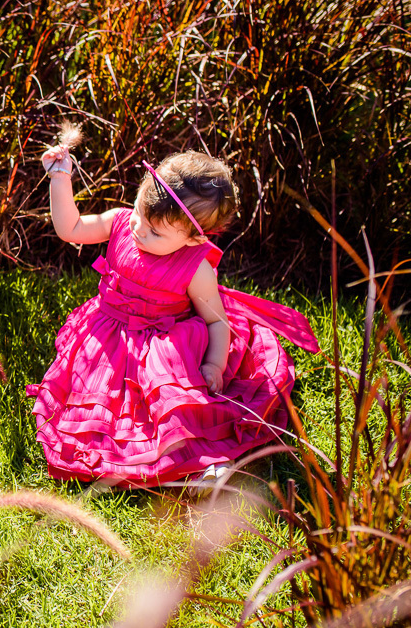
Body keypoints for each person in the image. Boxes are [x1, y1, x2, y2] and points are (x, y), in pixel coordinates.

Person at [28, 147, 320, 485]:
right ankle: (109, 450)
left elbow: (216, 321)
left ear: (193, 239)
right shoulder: (121, 222)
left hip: (164, 342)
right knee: (96, 400)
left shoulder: (196, 268)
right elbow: (72, 228)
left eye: (156, 232)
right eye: (139, 213)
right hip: (109, 336)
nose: (139, 230)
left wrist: (214, 365)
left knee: (175, 404)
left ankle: (202, 463)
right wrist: (60, 177)